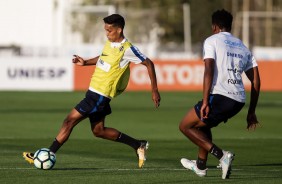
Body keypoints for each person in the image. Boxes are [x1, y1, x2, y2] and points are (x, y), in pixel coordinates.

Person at [23, 14, 161, 168]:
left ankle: (47, 154)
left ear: (119, 29)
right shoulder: (110, 43)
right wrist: (86, 62)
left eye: (109, 30)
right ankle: (138, 144)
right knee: (99, 131)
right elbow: (104, 57)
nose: (106, 33)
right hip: (93, 93)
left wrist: (154, 90)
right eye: (105, 30)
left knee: (69, 121)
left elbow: (149, 63)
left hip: (100, 95)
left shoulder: (127, 49)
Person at [179, 9, 260, 179]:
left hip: (220, 96)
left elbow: (208, 70)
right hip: (238, 100)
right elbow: (256, 81)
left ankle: (222, 155)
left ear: (214, 26)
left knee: (185, 126)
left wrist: (206, 101)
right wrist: (251, 111)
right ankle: (200, 166)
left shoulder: (211, 41)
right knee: (203, 125)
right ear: (230, 26)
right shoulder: (243, 47)